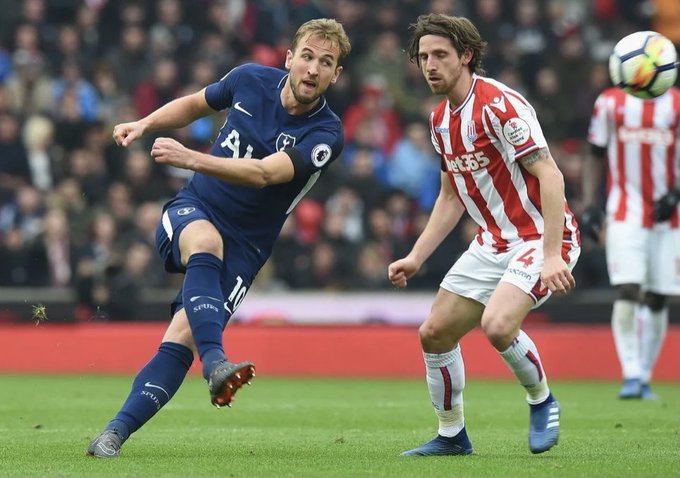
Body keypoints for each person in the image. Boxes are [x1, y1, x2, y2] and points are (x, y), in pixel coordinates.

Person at [86, 18, 351, 458]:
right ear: (289, 57)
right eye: (307, 56)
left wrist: (190, 157)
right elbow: (194, 104)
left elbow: (265, 174)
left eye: (326, 63)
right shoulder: (249, 79)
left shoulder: (327, 134)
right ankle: (216, 365)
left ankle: (111, 435)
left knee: (185, 333)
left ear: (336, 74)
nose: (312, 69)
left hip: (247, 247)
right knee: (206, 243)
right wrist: (145, 123)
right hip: (195, 210)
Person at [387, 13, 580, 456]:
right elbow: (450, 197)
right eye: (423, 57)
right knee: (433, 333)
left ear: (466, 56)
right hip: (493, 241)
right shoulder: (439, 120)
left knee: (497, 325)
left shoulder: (500, 106)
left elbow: (550, 175)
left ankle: (542, 400)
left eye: (440, 55)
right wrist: (416, 256)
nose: (430, 65)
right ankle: (452, 435)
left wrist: (552, 255)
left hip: (541, 236)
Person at [581, 83, 680, 400]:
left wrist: (677, 193)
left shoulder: (676, 104)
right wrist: (589, 204)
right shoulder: (609, 102)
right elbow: (595, 152)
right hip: (624, 213)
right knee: (627, 288)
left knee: (658, 297)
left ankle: (645, 374)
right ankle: (631, 374)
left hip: (670, 217)